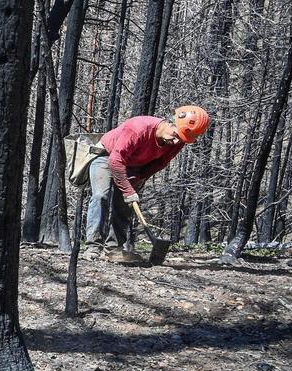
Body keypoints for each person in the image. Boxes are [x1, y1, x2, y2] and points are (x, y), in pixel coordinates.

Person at [84, 105, 209, 261]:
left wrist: (139, 178)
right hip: (107, 157)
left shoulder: (178, 140)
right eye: (176, 135)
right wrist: (128, 190)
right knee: (100, 196)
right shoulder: (138, 129)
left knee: (125, 205)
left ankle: (113, 249)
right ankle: (92, 248)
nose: (176, 141)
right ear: (170, 122)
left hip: (134, 166)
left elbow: (160, 163)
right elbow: (115, 161)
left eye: (182, 139)